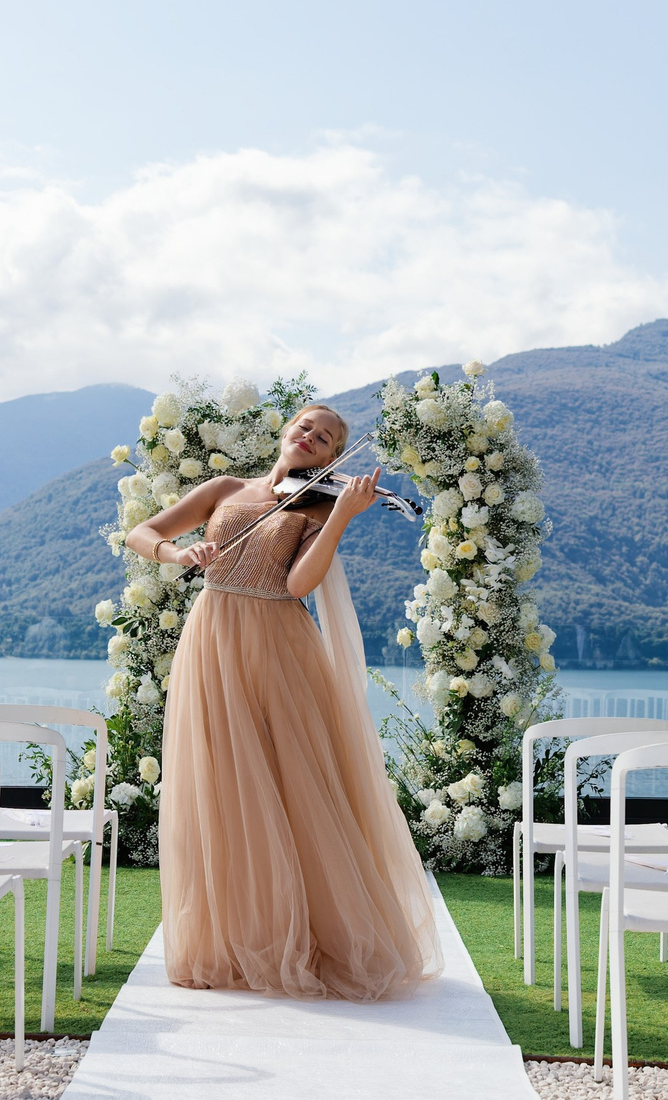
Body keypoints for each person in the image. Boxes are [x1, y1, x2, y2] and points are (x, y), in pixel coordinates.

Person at [122, 405, 439, 1000]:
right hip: (212, 635)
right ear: (287, 431)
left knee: (290, 778)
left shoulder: (319, 505)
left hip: (278, 642)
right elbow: (144, 533)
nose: (312, 437)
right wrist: (178, 554)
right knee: (221, 782)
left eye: (327, 439)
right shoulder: (225, 489)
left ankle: (302, 937)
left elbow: (297, 584)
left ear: (332, 457)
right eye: (306, 427)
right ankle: (232, 940)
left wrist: (340, 516)